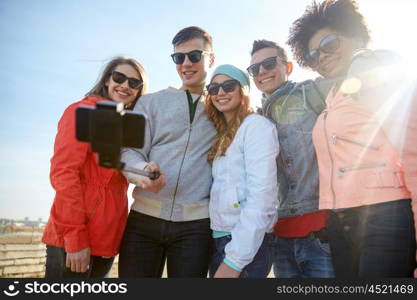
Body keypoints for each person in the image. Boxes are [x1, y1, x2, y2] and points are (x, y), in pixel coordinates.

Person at [288, 0, 417, 278]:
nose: (320, 56)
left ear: (356, 37)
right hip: (340, 222)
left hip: (384, 217)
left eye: (330, 44)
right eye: (312, 55)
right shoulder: (334, 97)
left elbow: (413, 152)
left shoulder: (374, 71)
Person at [118, 26, 216, 278]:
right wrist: (142, 172)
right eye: (178, 57)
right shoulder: (149, 102)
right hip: (143, 221)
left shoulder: (222, 106)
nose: (186, 63)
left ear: (211, 59)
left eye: (194, 56)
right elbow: (128, 151)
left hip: (196, 227)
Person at [42, 56, 148, 278]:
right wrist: (75, 237)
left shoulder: (127, 125)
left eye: (134, 83)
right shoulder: (81, 112)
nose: (125, 85)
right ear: (107, 79)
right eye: (119, 77)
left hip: (106, 242)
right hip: (76, 240)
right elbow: (64, 174)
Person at [248, 39, 335, 278]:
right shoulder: (256, 120)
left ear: (287, 67)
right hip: (281, 240)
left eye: (268, 63)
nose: (262, 71)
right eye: (255, 69)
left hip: (321, 234)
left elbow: (356, 82)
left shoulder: (311, 92)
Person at [205, 64, 278, 278]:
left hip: (244, 244)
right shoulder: (222, 135)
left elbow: (262, 196)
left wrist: (235, 261)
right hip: (222, 237)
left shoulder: (256, 126)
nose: (220, 93)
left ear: (243, 90)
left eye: (228, 86)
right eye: (213, 88)